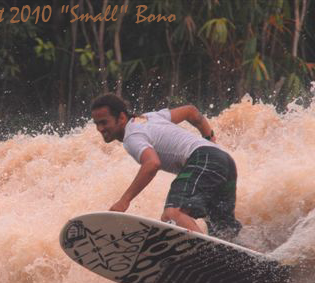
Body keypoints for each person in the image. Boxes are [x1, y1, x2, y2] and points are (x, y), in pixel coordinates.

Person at [90, 93, 242, 240]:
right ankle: (239, 261)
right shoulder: (150, 117)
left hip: (203, 160)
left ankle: (209, 256)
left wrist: (124, 201)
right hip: (224, 161)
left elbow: (152, 164)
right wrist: (209, 139)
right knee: (223, 231)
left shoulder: (132, 137)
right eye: (97, 123)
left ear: (122, 117)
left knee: (172, 215)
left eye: (104, 122)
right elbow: (191, 112)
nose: (100, 129)